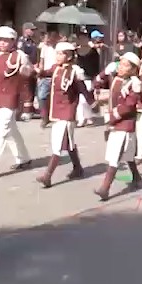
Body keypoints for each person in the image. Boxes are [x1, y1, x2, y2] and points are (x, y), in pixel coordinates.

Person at [34, 41, 94, 188]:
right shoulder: (56, 68)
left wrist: (92, 103)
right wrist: (35, 70)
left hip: (67, 113)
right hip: (56, 112)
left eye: (61, 54)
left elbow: (82, 90)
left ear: (69, 56)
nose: (58, 56)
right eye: (57, 53)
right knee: (68, 143)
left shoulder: (75, 72)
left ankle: (47, 176)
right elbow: (45, 73)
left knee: (57, 145)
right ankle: (78, 168)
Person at [0, 26, 33, 179]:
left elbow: (28, 77)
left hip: (11, 98)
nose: (2, 43)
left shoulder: (20, 56)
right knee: (12, 131)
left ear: (13, 41)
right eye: (1, 39)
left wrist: (28, 103)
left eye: (6, 40)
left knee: (0, 131)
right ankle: (23, 158)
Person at [92, 52, 142, 200]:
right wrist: (104, 73)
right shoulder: (115, 78)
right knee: (127, 154)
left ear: (133, 70)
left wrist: (112, 116)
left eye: (126, 65)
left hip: (125, 123)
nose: (121, 67)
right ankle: (137, 177)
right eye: (120, 64)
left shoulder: (135, 84)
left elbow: (128, 106)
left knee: (114, 156)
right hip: (114, 122)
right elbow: (96, 84)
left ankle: (105, 188)